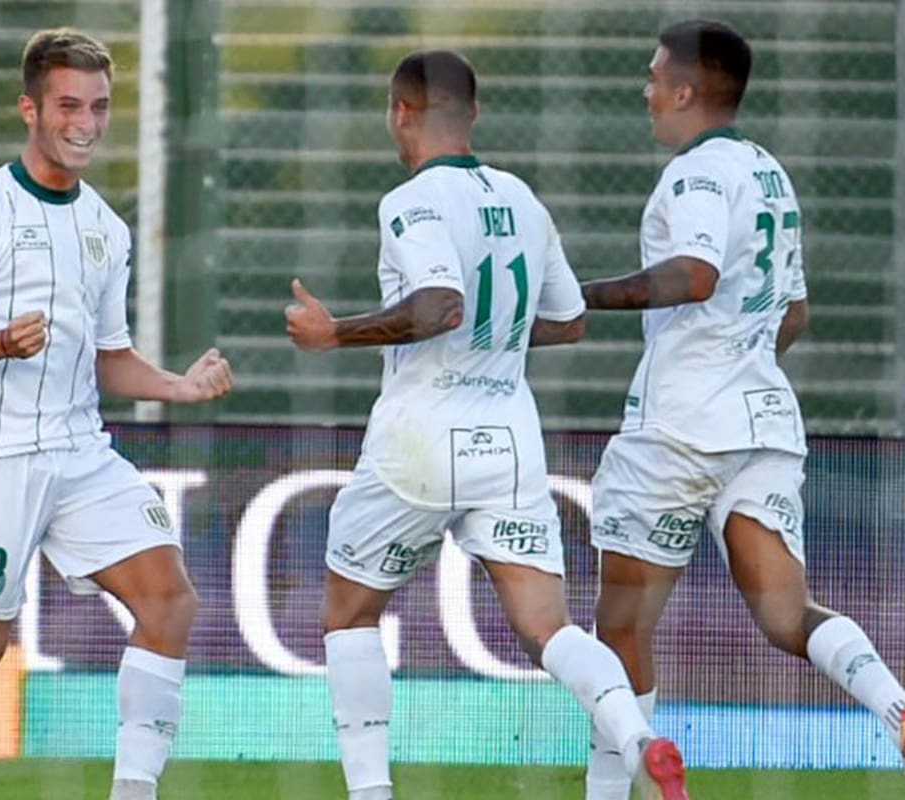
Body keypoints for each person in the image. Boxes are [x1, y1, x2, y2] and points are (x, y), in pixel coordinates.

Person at [578, 19, 905, 800]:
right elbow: (793, 312)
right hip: (761, 419)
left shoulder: (692, 177)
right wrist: (741, 355)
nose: (647, 89)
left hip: (678, 427)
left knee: (621, 629)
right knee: (788, 615)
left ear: (688, 90)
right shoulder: (768, 172)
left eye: (655, 75)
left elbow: (691, 275)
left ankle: (617, 788)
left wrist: (576, 296)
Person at [285, 50, 691, 800]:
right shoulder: (523, 200)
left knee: (348, 610)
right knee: (551, 629)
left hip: (420, 434)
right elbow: (568, 324)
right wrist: (497, 336)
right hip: (508, 438)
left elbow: (439, 304)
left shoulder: (410, 201)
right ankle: (639, 739)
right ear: (473, 114)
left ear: (399, 111)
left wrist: (332, 333)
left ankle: (371, 793)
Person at [0, 28, 233, 800]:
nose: (87, 123)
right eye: (69, 105)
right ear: (29, 108)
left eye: (99, 106)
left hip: (79, 454)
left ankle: (135, 792)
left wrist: (180, 387)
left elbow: (111, 357)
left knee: (169, 600)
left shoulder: (106, 227)